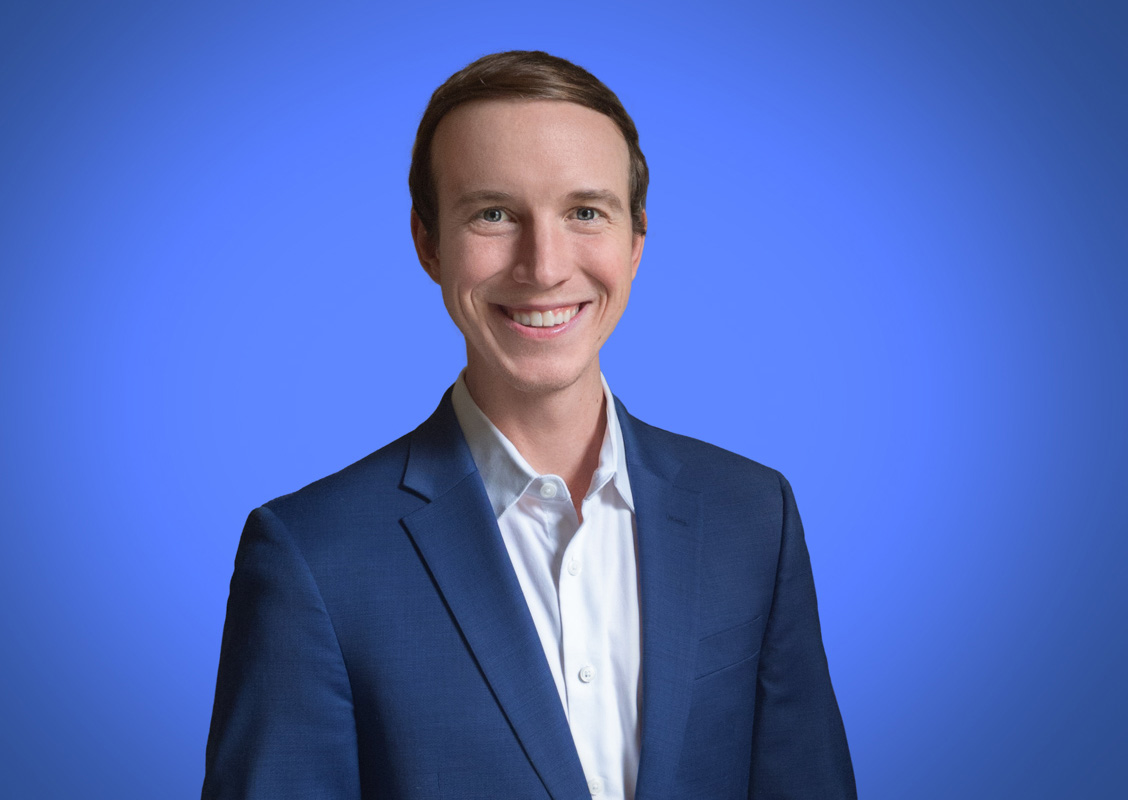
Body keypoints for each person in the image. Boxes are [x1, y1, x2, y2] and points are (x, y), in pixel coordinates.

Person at [202, 50, 856, 800]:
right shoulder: (311, 555)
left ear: (635, 240)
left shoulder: (753, 515)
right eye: (493, 213)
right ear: (428, 243)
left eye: (585, 212)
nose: (544, 266)